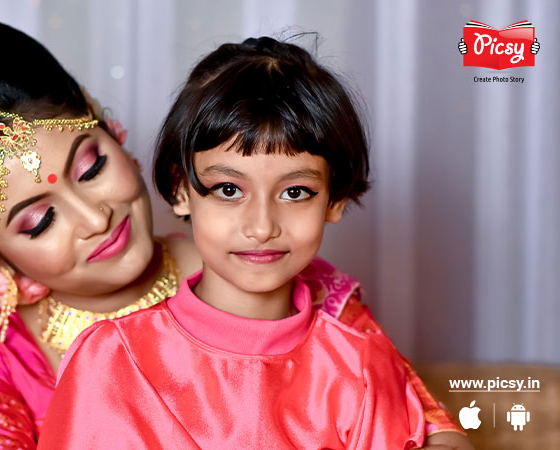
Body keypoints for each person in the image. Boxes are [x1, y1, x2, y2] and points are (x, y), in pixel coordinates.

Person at [0, 22, 465, 449]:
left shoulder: (260, 262)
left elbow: (418, 423)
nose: (95, 218)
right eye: (39, 220)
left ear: (108, 126)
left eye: (91, 168)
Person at [39, 37, 469, 449]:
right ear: (180, 189)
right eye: (228, 189)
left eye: (295, 192)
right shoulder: (110, 359)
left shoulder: (361, 368)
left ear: (335, 199)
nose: (262, 226)